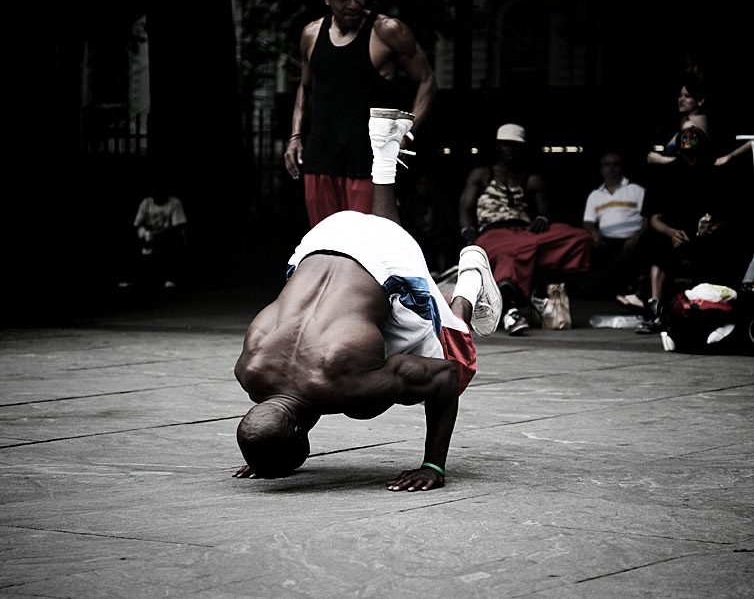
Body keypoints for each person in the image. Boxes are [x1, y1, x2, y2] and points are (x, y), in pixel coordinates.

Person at [234, 108, 502, 492]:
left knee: (454, 360)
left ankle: (470, 279)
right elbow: (300, 395)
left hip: (380, 265)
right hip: (322, 240)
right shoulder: (249, 371)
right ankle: (383, 151)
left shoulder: (347, 383)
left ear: (296, 430)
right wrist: (264, 455)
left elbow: (444, 378)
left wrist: (433, 466)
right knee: (369, 317)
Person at [283, 0, 436, 228]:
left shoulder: (387, 30)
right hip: (321, 158)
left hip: (368, 162)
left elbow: (427, 81)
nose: (353, 4)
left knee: (366, 251)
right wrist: (295, 136)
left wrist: (407, 133)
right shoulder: (310, 34)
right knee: (324, 247)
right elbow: (306, 87)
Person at [457, 123, 593, 335]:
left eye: (516, 145)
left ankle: (534, 292)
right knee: (509, 254)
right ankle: (512, 308)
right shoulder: (481, 175)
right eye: (506, 145)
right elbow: (465, 208)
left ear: (522, 149)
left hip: (525, 233)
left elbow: (546, 213)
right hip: (493, 233)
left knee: (579, 237)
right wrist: (469, 237)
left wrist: (542, 218)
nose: (511, 149)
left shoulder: (531, 179)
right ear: (498, 147)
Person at [637, 126, 745, 333]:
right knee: (656, 245)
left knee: (728, 244)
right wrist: (671, 233)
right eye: (689, 155)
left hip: (707, 237)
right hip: (673, 235)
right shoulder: (664, 175)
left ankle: (718, 308)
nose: (694, 159)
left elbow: (730, 215)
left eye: (698, 154)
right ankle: (654, 311)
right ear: (679, 153)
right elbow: (654, 220)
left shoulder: (717, 174)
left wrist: (715, 228)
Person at [580, 151, 647, 302]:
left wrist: (637, 237)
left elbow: (648, 219)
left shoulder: (636, 190)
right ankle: (606, 288)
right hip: (606, 241)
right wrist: (594, 233)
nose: (611, 168)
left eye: (615, 164)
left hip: (633, 240)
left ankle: (589, 287)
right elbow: (588, 221)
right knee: (589, 248)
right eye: (607, 164)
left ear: (621, 168)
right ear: (601, 169)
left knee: (627, 253)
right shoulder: (595, 195)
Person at [125, 182, 187, 289]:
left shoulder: (174, 203)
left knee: (172, 241)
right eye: (154, 192)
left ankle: (170, 278)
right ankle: (133, 279)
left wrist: (157, 235)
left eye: (159, 192)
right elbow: (137, 224)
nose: (156, 195)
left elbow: (177, 227)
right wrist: (143, 233)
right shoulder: (146, 203)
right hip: (150, 236)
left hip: (168, 237)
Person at [400, 174, 458, 274]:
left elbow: (445, 225)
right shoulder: (411, 202)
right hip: (416, 237)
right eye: (421, 184)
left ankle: (442, 273)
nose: (425, 187)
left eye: (428, 184)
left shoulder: (440, 200)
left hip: (436, 236)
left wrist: (429, 236)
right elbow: (406, 224)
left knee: (444, 243)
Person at [646, 76, 708, 166]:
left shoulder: (693, 126)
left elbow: (692, 162)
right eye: (680, 95)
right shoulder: (685, 121)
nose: (681, 99)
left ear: (700, 101)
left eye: (687, 96)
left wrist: (661, 159)